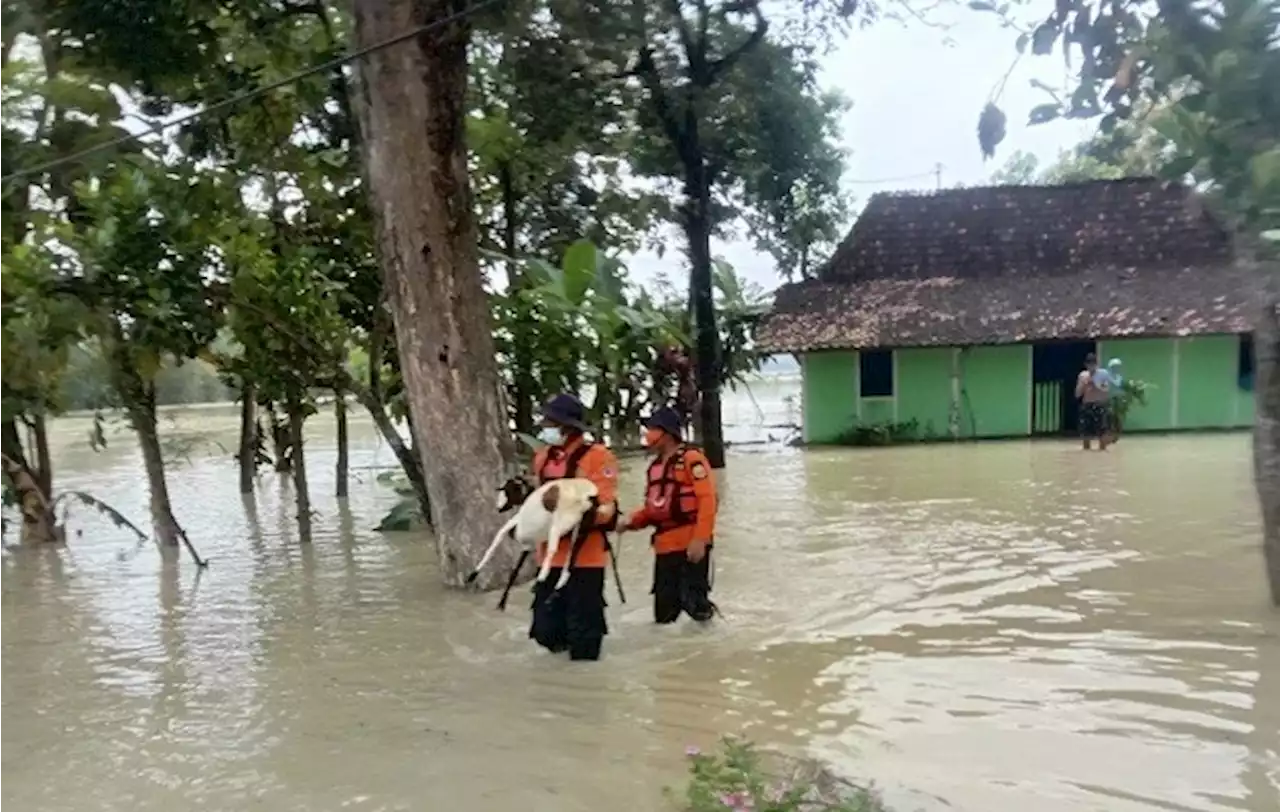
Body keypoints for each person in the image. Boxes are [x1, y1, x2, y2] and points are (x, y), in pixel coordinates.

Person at [527, 394, 620, 662]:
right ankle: (561, 687)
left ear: (565, 426)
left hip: (585, 558)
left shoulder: (599, 457)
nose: (544, 426)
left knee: (585, 638)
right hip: (549, 557)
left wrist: (582, 512)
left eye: (549, 421)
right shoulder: (543, 458)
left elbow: (605, 505)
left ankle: (586, 687)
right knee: (545, 630)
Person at [619, 406, 719, 624]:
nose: (648, 435)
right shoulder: (655, 467)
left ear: (667, 433)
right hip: (664, 548)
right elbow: (654, 507)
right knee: (664, 614)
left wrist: (701, 539)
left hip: (690, 545)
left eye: (653, 429)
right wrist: (630, 521)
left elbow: (707, 500)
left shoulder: (692, 459)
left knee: (696, 607)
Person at [1075, 353, 1110, 451]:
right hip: (1087, 405)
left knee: (1102, 432)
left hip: (1099, 405)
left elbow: (1106, 391)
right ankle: (1086, 452)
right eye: (1089, 364)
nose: (1091, 367)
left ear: (1096, 364)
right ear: (1086, 365)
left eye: (1093, 364)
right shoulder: (1082, 375)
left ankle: (1103, 451)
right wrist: (1083, 385)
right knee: (1085, 433)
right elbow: (1077, 394)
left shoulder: (1103, 374)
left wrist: (1096, 386)